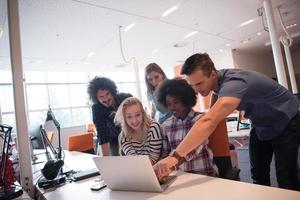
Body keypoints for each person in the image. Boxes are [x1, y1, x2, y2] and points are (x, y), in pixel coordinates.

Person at [154, 53, 300, 191]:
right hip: (261, 125)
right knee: (258, 175)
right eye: (193, 86)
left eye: (199, 83)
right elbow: (212, 114)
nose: (197, 90)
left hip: (286, 120)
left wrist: (174, 158)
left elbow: (210, 120)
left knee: (286, 178)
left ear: (212, 73)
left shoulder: (234, 82)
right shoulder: (217, 86)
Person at [156, 78, 217, 176]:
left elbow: (193, 150)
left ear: (186, 100)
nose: (172, 107)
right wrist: (161, 169)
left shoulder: (200, 120)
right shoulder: (165, 125)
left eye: (176, 102)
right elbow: (165, 154)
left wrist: (172, 161)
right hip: (180, 177)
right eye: (168, 104)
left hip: (204, 174)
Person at [87, 77, 132, 156]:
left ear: (112, 92)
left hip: (130, 136)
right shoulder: (97, 109)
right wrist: (106, 160)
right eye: (101, 97)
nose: (106, 99)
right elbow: (102, 134)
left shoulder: (126, 98)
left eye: (107, 94)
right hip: (112, 141)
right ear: (96, 98)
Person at [115, 97, 163, 164]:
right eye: (129, 117)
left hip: (158, 170)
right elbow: (133, 159)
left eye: (137, 115)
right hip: (139, 170)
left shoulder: (153, 128)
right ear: (124, 118)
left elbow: (154, 159)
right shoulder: (124, 136)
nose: (134, 121)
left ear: (143, 114)